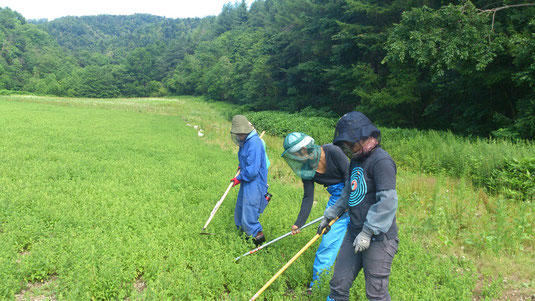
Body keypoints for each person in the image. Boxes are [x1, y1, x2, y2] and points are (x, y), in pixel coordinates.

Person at [317, 111, 399, 301]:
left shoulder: (381, 161)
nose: (349, 149)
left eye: (351, 144)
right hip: (354, 232)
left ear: (363, 137)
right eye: (346, 146)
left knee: (376, 294)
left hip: (379, 238)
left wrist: (368, 231)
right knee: (338, 285)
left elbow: (388, 202)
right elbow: (349, 191)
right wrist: (330, 215)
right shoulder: (356, 160)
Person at [281, 132, 350, 291]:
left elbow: (350, 176)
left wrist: (346, 203)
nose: (296, 159)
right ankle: (317, 287)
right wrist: (299, 223)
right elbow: (308, 197)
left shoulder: (333, 151)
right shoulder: (306, 168)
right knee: (327, 243)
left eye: (296, 154)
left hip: (356, 194)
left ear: (304, 149)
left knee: (363, 241)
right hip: (336, 200)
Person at [230, 115, 269, 246]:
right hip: (247, 182)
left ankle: (260, 247)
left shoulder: (255, 143)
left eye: (241, 133)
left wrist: (238, 178)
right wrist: (241, 166)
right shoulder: (245, 142)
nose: (239, 136)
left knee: (249, 217)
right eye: (238, 133)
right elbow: (246, 161)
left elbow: (252, 171)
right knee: (240, 212)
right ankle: (243, 243)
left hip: (255, 184)